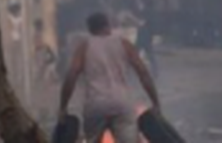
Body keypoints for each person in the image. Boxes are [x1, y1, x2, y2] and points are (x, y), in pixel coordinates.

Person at [58, 12, 160, 143]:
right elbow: (143, 73)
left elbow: (71, 76)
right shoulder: (123, 44)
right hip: (122, 104)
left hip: (95, 106)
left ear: (90, 29)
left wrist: (63, 107)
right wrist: (155, 102)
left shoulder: (85, 47)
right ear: (108, 25)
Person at [134, 0, 158, 79]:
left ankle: (129, 72)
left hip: (143, 35)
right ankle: (155, 72)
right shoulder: (152, 11)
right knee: (150, 55)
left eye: (141, 1)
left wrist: (132, 19)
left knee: (134, 54)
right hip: (147, 35)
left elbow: (141, 23)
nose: (139, 3)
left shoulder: (145, 11)